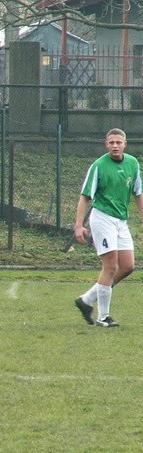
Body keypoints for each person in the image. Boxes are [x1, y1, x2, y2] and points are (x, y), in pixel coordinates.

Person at [73, 128, 143, 328]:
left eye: (118, 142)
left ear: (125, 144)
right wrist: (79, 225)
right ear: (106, 145)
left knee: (128, 266)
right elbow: (85, 196)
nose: (115, 146)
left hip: (121, 221)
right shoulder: (98, 166)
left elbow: (138, 192)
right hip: (102, 218)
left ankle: (86, 300)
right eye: (111, 142)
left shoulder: (132, 163)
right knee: (110, 266)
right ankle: (103, 317)